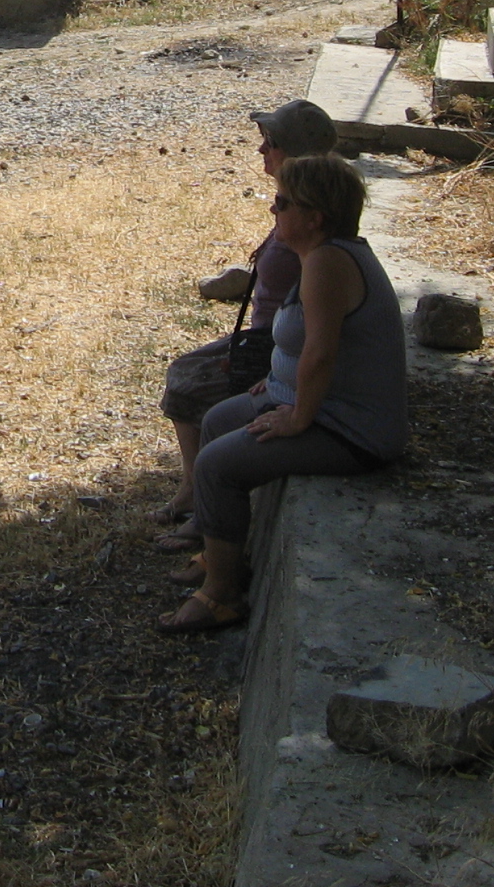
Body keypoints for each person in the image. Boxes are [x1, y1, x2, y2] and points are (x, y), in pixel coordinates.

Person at [158, 153, 407, 633]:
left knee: (217, 466)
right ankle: (220, 552)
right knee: (217, 420)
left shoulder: (329, 263)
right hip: (322, 405)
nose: (274, 209)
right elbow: (303, 343)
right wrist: (278, 381)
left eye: (283, 202)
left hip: (352, 429)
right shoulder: (320, 255)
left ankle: (222, 596)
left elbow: (321, 353)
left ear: (315, 217)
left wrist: (296, 417)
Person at [153, 99, 340, 536]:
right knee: (183, 372)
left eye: (270, 142)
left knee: (190, 385)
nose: (261, 150)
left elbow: (317, 321)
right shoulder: (297, 202)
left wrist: (275, 370)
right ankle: (194, 488)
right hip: (266, 339)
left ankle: (204, 498)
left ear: (295, 153)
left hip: (276, 346)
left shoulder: (312, 219)